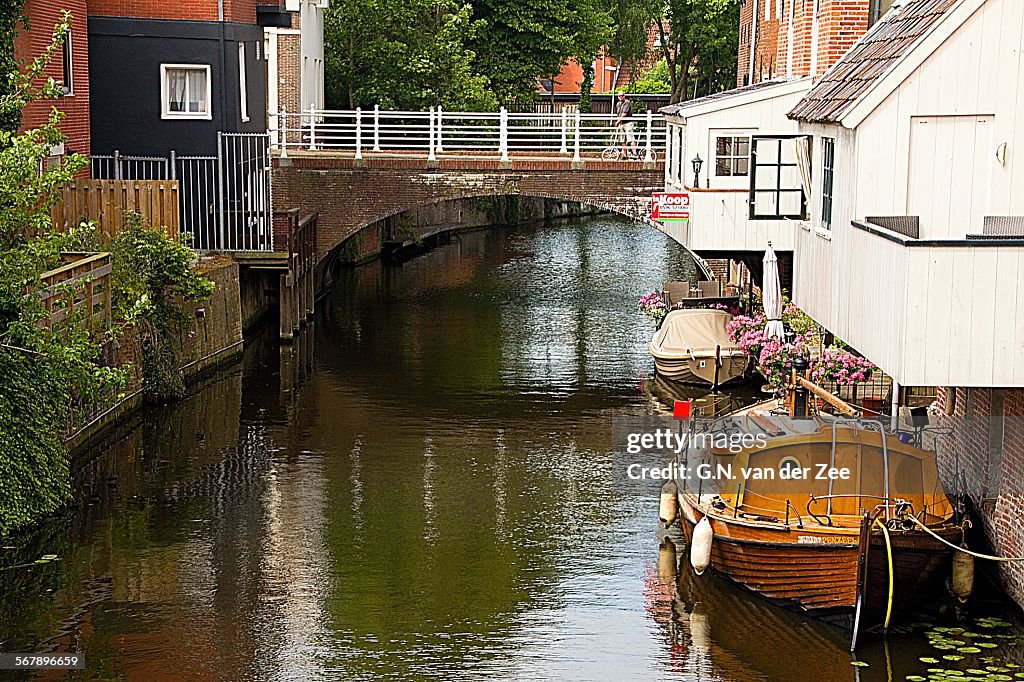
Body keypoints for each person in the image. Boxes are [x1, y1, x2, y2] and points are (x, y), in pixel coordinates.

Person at [615, 91, 639, 158]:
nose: (620, 97)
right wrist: (619, 122)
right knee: (622, 140)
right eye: (619, 96)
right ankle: (625, 155)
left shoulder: (627, 102)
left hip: (628, 123)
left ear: (624, 96)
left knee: (631, 138)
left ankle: (635, 154)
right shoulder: (618, 104)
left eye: (622, 95)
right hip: (622, 123)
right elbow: (618, 114)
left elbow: (624, 114)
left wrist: (617, 122)